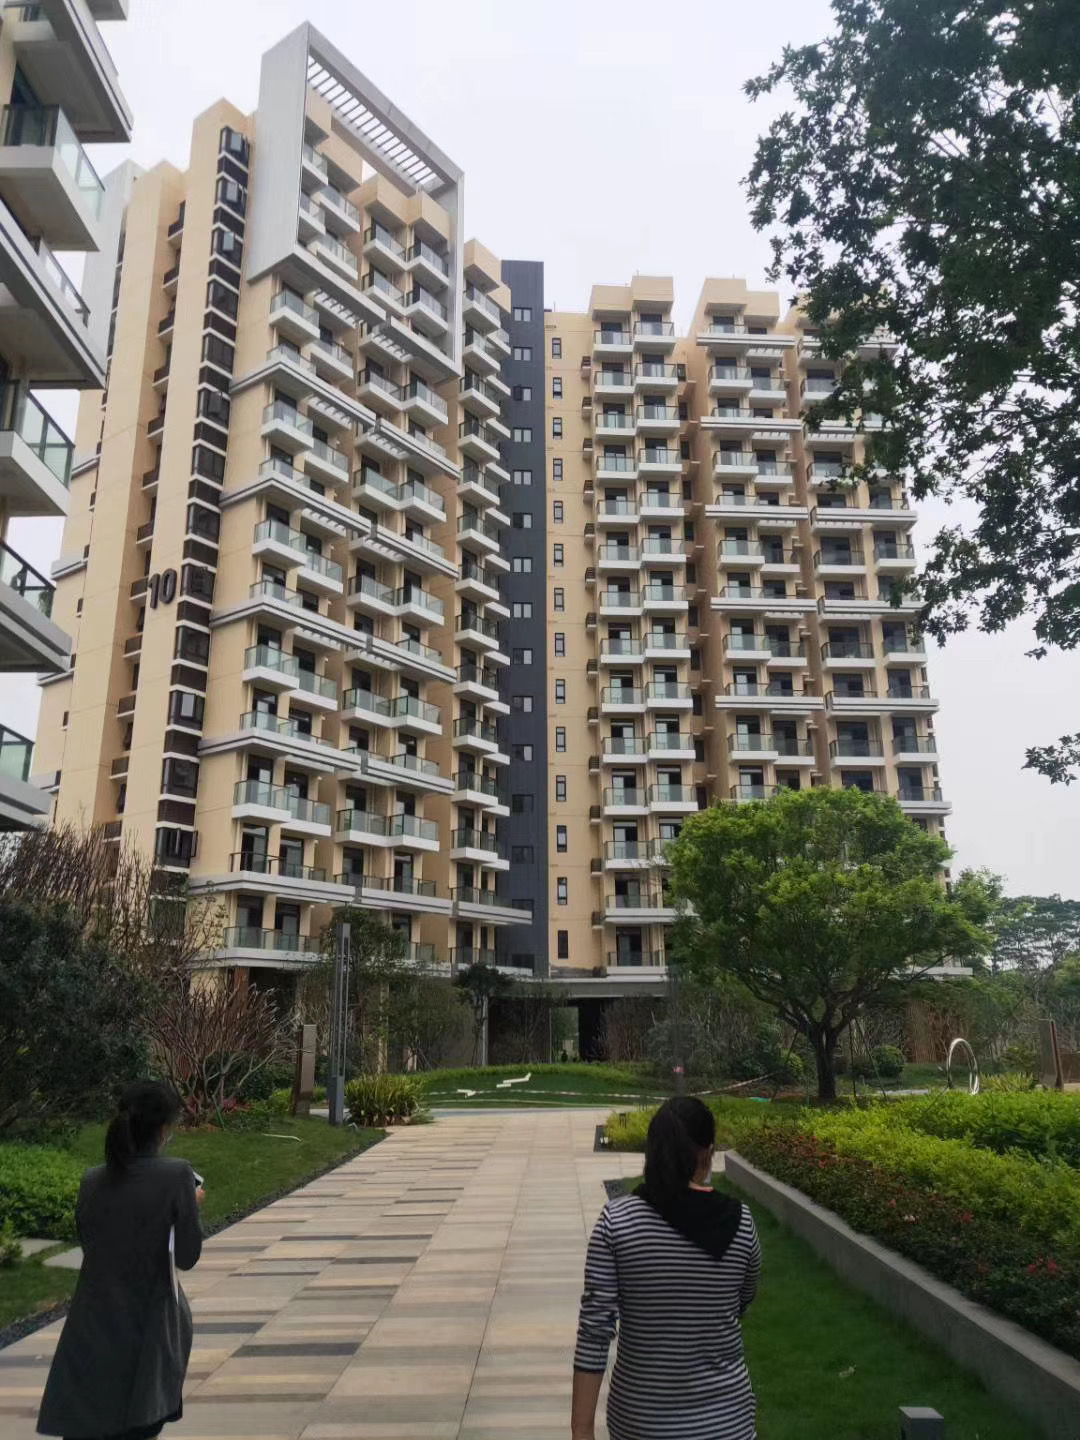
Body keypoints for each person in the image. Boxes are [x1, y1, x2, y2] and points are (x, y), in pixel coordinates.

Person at [572, 1096, 761, 1440]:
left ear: (652, 1151)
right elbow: (742, 1301)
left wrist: (581, 1429)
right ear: (707, 1152)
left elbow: (594, 1334)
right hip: (727, 1423)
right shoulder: (742, 1224)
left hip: (642, 1423)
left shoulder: (617, 1223)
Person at [38, 1080, 204, 1440]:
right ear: (164, 1129)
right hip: (148, 1328)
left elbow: (92, 1244)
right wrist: (191, 1206)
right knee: (137, 1425)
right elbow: (188, 1256)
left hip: (89, 1329)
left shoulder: (91, 1180)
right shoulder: (177, 1175)